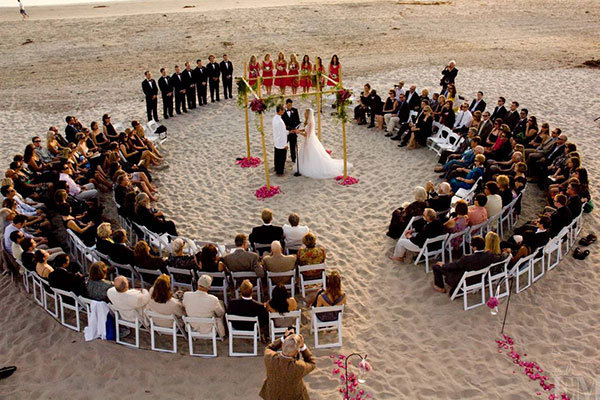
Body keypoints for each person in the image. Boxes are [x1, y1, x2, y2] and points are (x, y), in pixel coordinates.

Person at [431, 235, 504, 293]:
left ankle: (440, 287)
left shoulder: (467, 258)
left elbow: (455, 265)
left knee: (436, 266)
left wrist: (443, 265)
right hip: (479, 279)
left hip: (465, 281)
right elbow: (500, 257)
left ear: (474, 248)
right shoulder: (489, 255)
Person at [259, 328, 316, 400]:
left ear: (282, 346)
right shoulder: (299, 367)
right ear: (296, 352)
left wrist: (283, 338)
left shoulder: (269, 358)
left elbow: (269, 348)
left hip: (272, 396)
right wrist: (303, 347)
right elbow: (312, 362)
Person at [297, 109, 351, 179]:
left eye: (306, 113)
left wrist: (298, 133)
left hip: (309, 140)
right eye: (305, 113)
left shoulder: (310, 123)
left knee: (311, 153)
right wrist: (299, 130)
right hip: (306, 141)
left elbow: (307, 135)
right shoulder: (307, 121)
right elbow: (305, 129)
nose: (305, 114)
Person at [281, 99, 301, 164]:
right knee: (284, 146)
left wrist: (295, 129)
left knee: (293, 147)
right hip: (285, 132)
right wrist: (289, 129)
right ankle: (283, 159)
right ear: (286, 104)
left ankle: (293, 159)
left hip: (293, 133)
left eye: (291, 105)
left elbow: (298, 121)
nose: (290, 106)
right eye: (289, 105)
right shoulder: (282, 112)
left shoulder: (295, 110)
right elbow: (282, 123)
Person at [272, 105, 288, 176]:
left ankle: (276, 168)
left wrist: (289, 131)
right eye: (283, 110)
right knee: (282, 158)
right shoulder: (280, 122)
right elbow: (283, 134)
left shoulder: (274, 118)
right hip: (281, 142)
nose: (284, 111)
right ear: (280, 111)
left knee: (277, 156)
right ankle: (280, 172)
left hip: (276, 140)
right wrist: (285, 144)